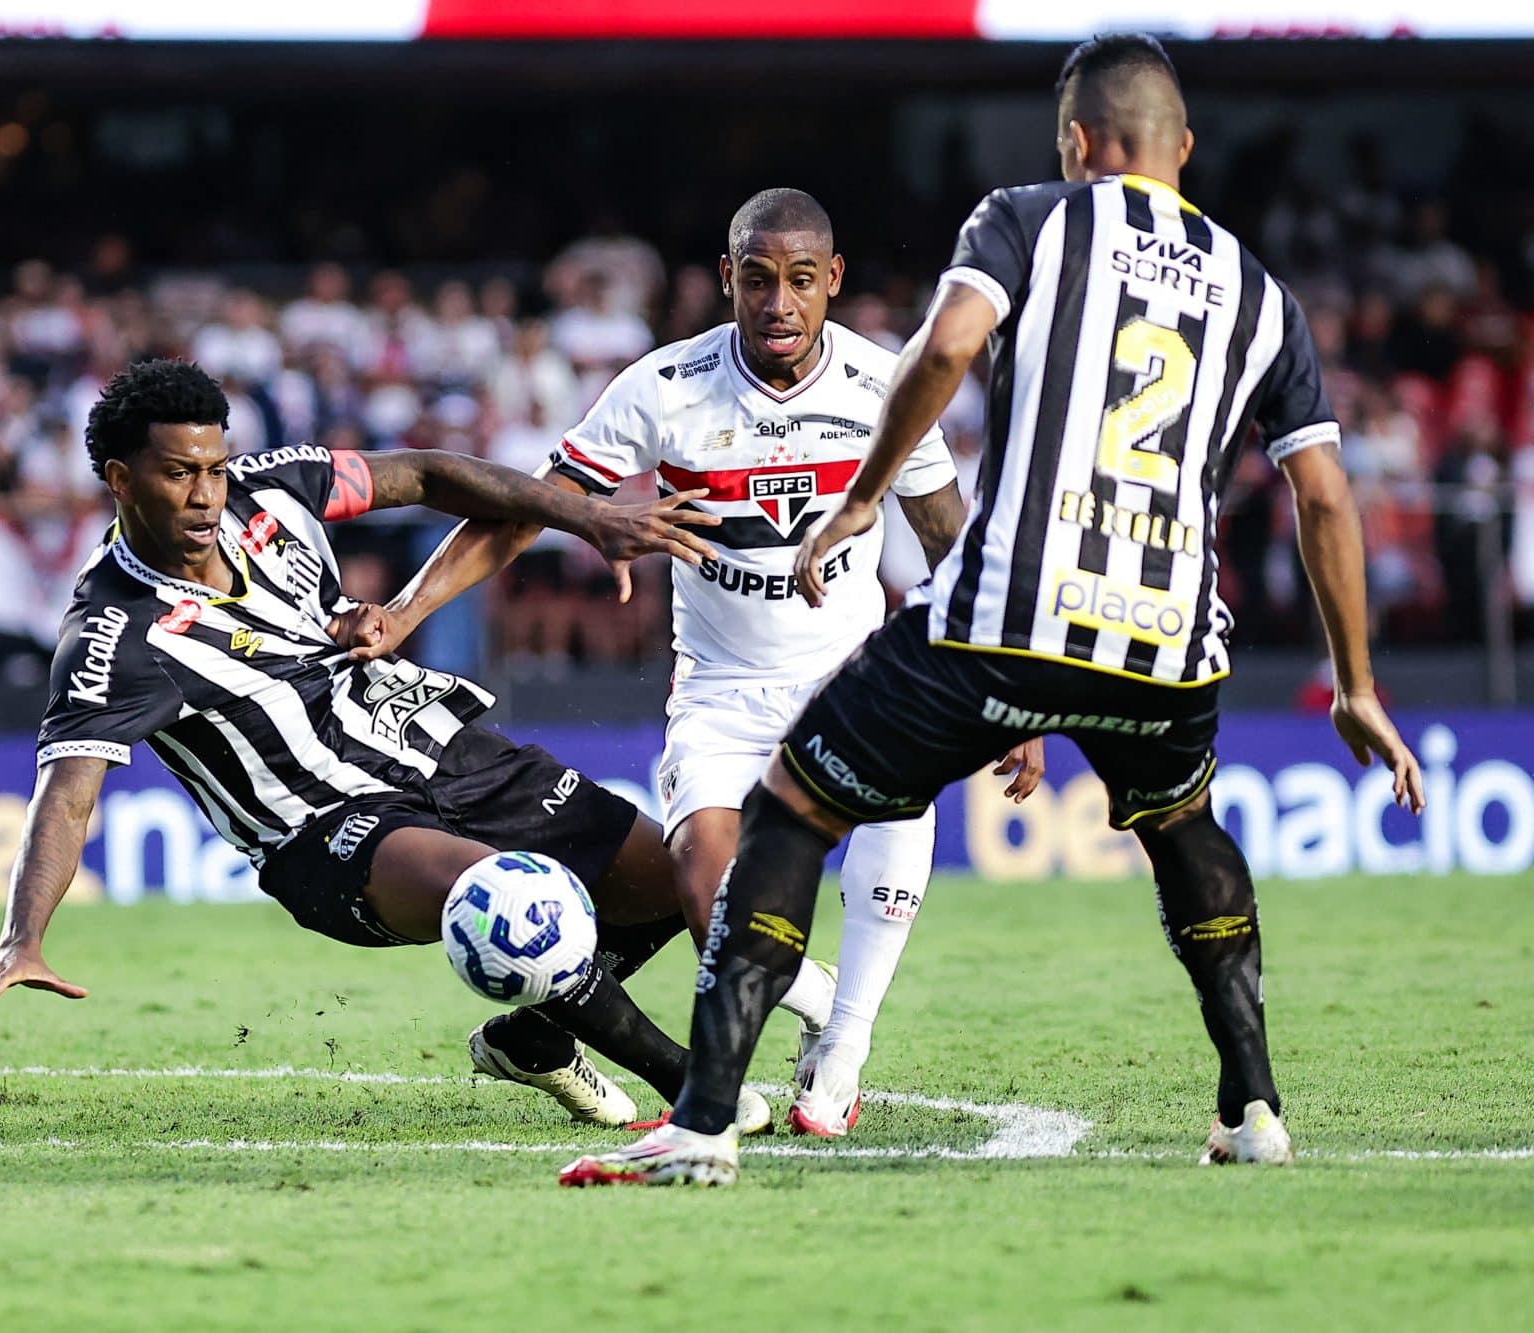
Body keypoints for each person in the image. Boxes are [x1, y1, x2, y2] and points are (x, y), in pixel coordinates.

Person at [562, 34, 1424, 1186]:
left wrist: (855, 496)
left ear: (1075, 142)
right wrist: (1356, 684)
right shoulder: (1258, 295)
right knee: (1184, 833)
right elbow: (1323, 494)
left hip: (1010, 613)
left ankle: (706, 1119)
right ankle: (1251, 1105)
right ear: (1185, 151)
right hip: (1166, 633)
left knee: (789, 808)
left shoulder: (1028, 218)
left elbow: (947, 346)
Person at [344, 189, 1043, 1136]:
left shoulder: (888, 383)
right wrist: (406, 608)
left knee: (899, 783)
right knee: (707, 884)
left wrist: (1010, 681)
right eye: (758, 280)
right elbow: (524, 510)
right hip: (720, 689)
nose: (779, 304)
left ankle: (844, 1045)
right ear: (728, 280)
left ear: (832, 281)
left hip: (848, 672)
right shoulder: (663, 388)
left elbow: (948, 535)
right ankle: (816, 992)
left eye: (802, 281)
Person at [0, 359, 779, 1133]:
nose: (207, 494)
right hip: (329, 832)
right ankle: (698, 1086)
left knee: (677, 877)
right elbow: (67, 791)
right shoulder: (112, 635)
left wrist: (589, 517)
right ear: (121, 481)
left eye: (214, 466)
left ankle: (532, 1039)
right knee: (501, 900)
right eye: (179, 474)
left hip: (436, 746)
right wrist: (23, 937)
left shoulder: (272, 490)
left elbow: (427, 472)